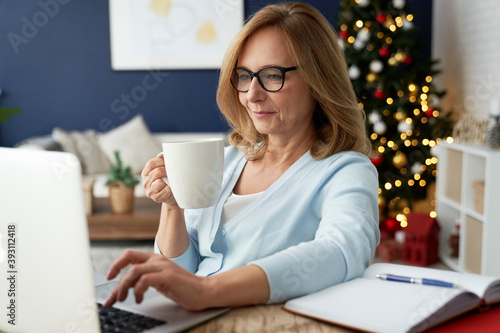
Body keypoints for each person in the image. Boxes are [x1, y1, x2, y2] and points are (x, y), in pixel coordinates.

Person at [104, 2, 380, 311]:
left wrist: (209, 289)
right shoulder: (229, 160)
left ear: (319, 79)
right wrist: (173, 206)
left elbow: (343, 250)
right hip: (188, 317)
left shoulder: (346, 170)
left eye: (273, 75)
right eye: (245, 76)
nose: (252, 94)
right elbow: (180, 278)